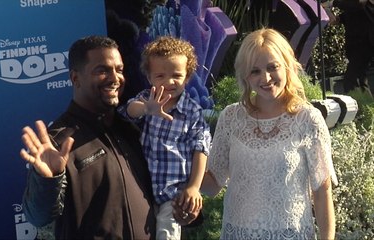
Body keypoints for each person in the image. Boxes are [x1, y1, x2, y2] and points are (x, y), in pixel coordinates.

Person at [19, 35, 199, 240]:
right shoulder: (58, 142)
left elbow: (161, 185)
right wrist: (47, 181)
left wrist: (184, 210)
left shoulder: (132, 128)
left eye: (119, 69)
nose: (115, 78)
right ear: (75, 78)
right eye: (102, 70)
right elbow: (37, 216)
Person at [201, 28, 338, 239]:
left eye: (272, 67)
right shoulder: (230, 117)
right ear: (245, 75)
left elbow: (322, 192)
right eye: (254, 71)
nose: (265, 77)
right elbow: (211, 186)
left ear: (287, 65)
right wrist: (181, 151)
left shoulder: (308, 119)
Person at [118, 36, 211, 239]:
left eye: (176, 75)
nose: (169, 82)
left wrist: (194, 187)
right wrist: (146, 109)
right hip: (143, 189)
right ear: (150, 78)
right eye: (160, 75)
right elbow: (127, 111)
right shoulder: (146, 99)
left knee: (166, 233)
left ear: (187, 77)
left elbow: (201, 148)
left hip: (173, 193)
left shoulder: (192, 111)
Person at [324, 0, 374, 95]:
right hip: (358, 43)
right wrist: (339, 19)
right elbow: (355, 14)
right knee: (359, 77)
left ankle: (359, 104)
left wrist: (332, 3)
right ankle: (365, 105)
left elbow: (357, 4)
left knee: (351, 79)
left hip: (365, 42)